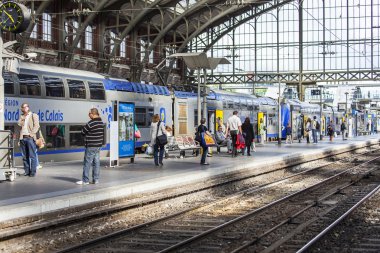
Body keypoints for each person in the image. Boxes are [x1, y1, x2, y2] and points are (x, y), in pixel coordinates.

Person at [76, 108, 104, 185]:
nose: (88, 116)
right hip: (98, 146)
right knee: (96, 163)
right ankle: (96, 180)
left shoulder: (90, 123)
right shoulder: (101, 123)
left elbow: (82, 132)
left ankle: (85, 180)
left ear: (92, 114)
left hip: (91, 146)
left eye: (89, 114)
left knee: (87, 163)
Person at [17, 103, 40, 177]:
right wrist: (23, 117)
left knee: (32, 156)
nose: (24, 108)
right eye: (23, 108)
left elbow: (37, 126)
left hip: (30, 138)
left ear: (28, 107)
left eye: (25, 107)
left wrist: (32, 134)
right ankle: (27, 171)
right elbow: (19, 124)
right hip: (22, 138)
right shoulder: (22, 116)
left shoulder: (34, 115)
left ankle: (32, 172)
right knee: (24, 157)